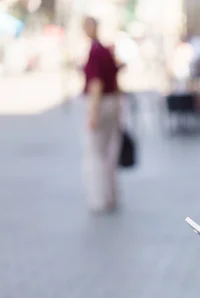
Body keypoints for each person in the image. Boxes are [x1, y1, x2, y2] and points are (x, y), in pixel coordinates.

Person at [81, 16, 121, 213]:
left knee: (96, 154)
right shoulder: (105, 50)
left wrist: (93, 114)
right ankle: (110, 195)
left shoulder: (96, 51)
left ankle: (100, 199)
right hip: (112, 103)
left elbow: (96, 84)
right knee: (109, 153)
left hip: (102, 104)